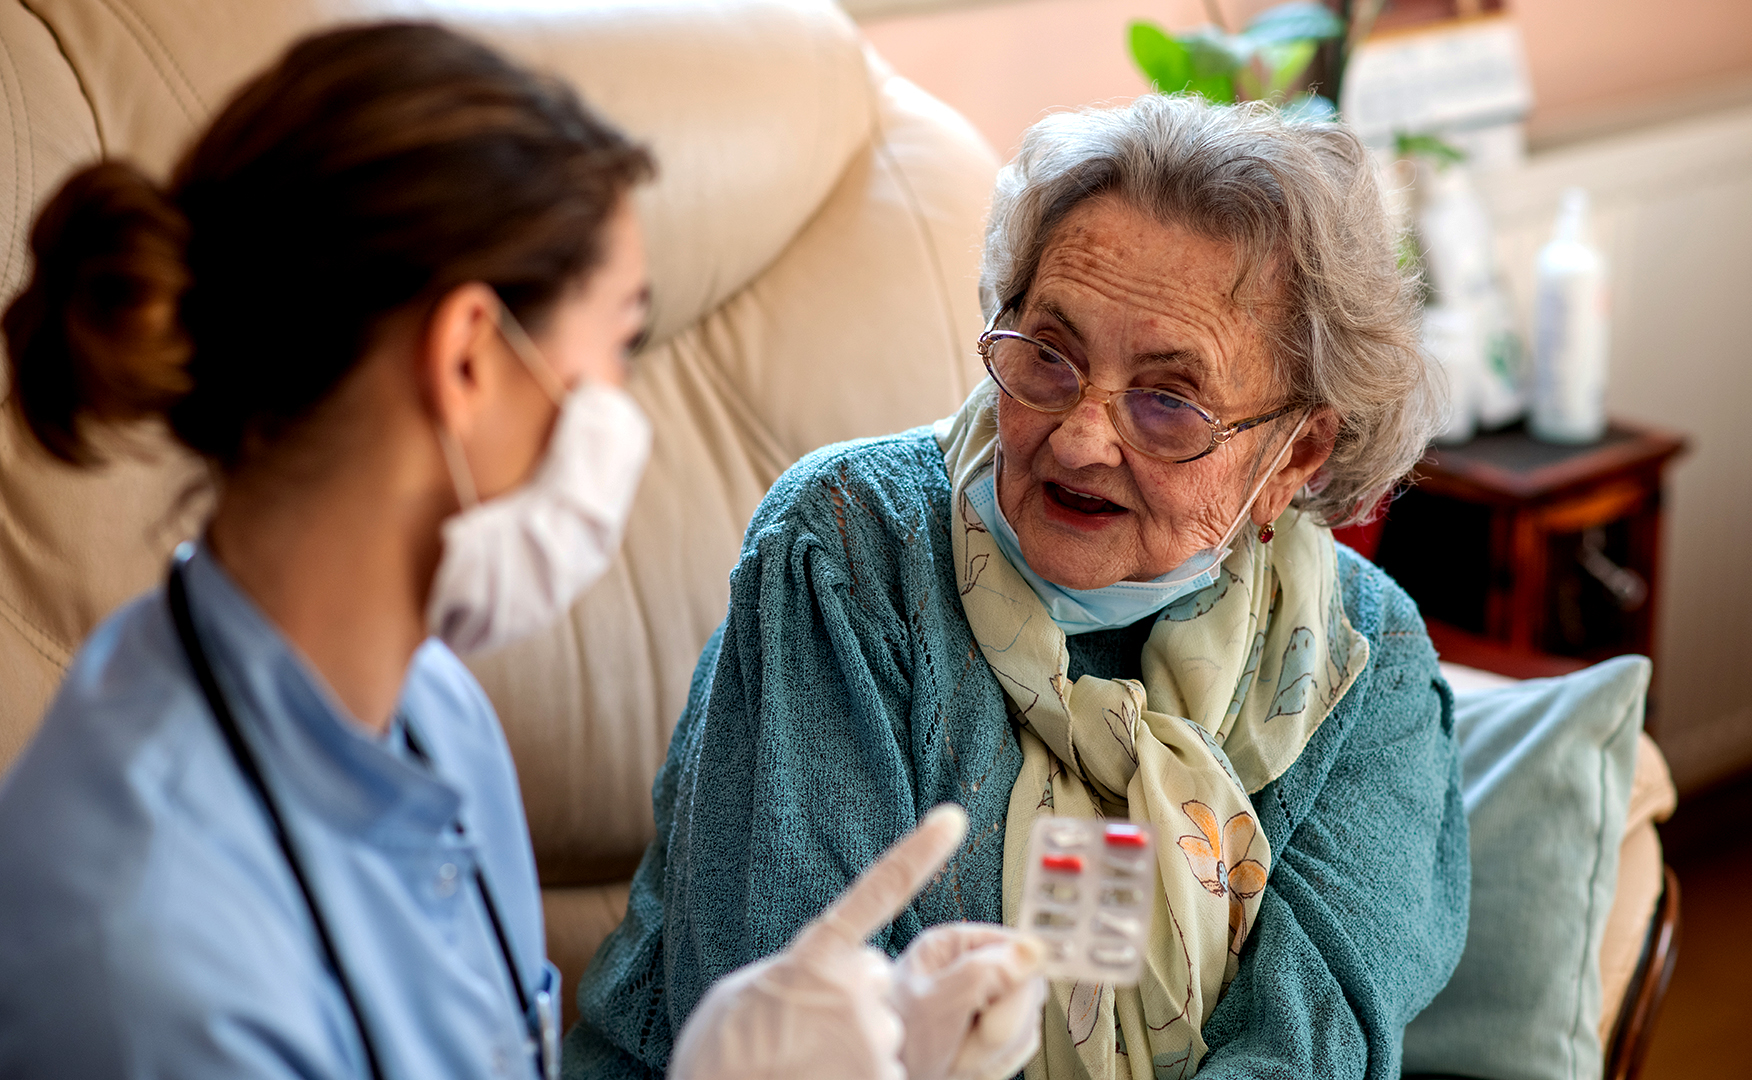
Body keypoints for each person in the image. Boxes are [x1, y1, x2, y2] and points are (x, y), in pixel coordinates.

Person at [0, 22, 1040, 1080]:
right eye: (621, 342)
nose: (625, 411)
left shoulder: (435, 717)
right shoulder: (150, 956)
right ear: (466, 362)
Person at [571, 94, 1472, 1080]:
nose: (1080, 439)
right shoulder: (849, 547)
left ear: (1297, 452)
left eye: (1167, 400)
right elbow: (787, 1011)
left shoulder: (1360, 662)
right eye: (1049, 357)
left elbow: (1308, 1052)